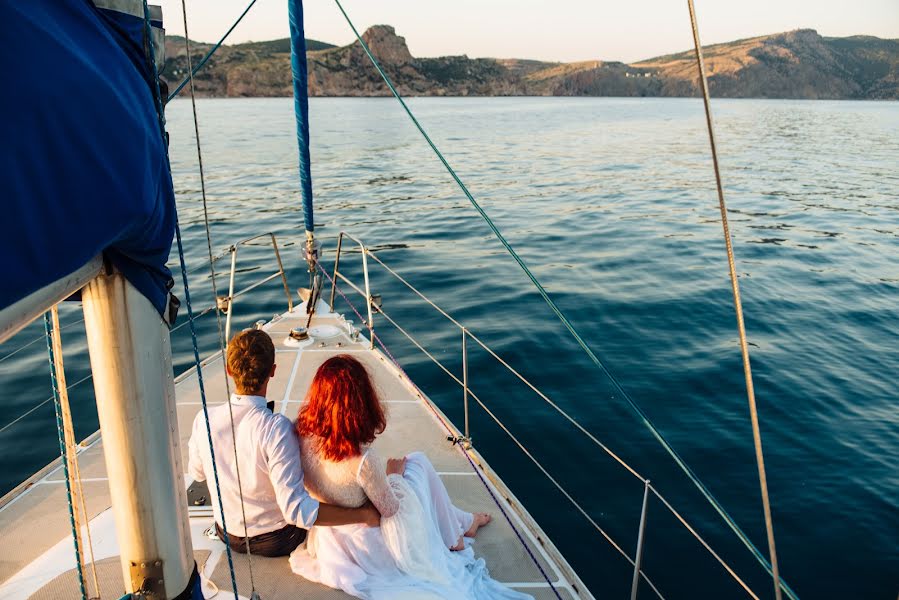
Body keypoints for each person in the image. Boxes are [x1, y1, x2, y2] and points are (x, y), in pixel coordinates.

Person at [289, 354, 531, 599]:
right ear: (360, 402)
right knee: (418, 463)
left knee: (412, 471)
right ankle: (458, 535)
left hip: (334, 532)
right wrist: (393, 475)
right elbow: (391, 510)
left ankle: (464, 522)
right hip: (369, 539)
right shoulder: (361, 460)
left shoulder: (300, 429)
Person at [187, 330, 380, 558]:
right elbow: (296, 511)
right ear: (273, 371)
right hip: (277, 540)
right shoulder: (276, 429)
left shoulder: (204, 419)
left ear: (229, 370)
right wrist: (363, 515)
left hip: (226, 534)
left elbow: (197, 474)